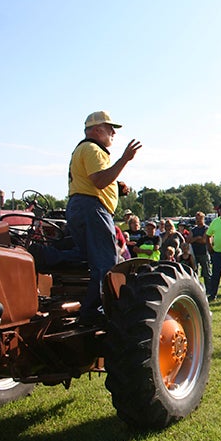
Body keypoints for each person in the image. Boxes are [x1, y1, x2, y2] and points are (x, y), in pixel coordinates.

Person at [53, 111, 142, 323]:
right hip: (92, 208)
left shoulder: (83, 149)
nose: (113, 133)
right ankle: (94, 311)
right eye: (109, 128)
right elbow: (99, 181)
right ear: (96, 130)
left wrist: (116, 186)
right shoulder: (93, 149)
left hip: (81, 206)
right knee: (106, 261)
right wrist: (124, 160)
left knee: (85, 256)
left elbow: (96, 179)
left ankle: (45, 255)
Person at [189, 211, 212, 286]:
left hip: (204, 253)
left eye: (200, 219)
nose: (198, 220)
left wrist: (194, 239)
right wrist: (198, 237)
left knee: (206, 273)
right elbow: (188, 240)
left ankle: (209, 289)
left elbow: (204, 240)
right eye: (197, 219)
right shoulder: (193, 229)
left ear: (203, 219)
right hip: (194, 253)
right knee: (194, 272)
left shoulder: (207, 228)